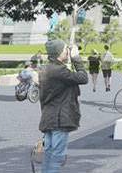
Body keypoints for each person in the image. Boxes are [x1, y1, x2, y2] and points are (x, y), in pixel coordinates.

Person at [38, 39, 88, 173]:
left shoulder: (46, 69)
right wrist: (76, 58)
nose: (68, 51)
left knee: (49, 154)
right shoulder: (59, 71)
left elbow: (42, 98)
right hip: (59, 119)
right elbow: (83, 78)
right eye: (66, 49)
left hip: (49, 118)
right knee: (57, 156)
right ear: (60, 53)